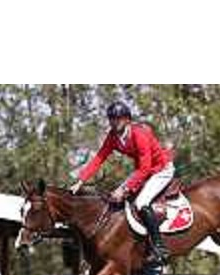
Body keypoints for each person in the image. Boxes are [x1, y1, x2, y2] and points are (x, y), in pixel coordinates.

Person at [71, 101, 174, 265]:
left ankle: (159, 248)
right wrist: (80, 180)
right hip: (142, 171)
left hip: (161, 170)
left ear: (127, 120)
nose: (114, 122)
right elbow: (99, 158)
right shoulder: (113, 136)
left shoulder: (139, 134)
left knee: (141, 203)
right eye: (112, 119)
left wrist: (125, 188)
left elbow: (146, 168)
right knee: (114, 199)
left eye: (118, 119)